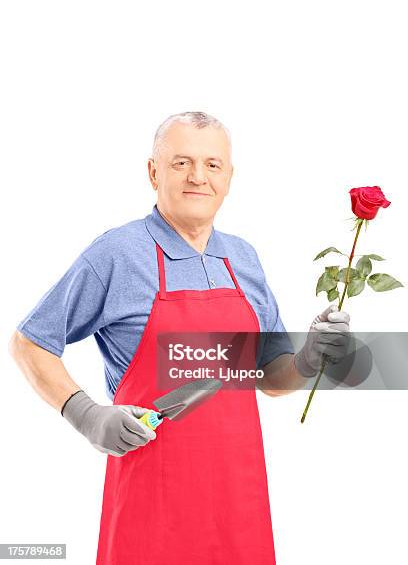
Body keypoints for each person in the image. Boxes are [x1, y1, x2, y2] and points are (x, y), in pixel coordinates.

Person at [9, 111, 350, 564]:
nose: (198, 177)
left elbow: (271, 378)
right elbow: (30, 341)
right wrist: (86, 414)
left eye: (213, 164)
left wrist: (310, 359)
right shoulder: (117, 254)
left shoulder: (243, 258)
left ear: (229, 177)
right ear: (153, 171)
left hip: (238, 501)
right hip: (153, 496)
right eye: (181, 162)